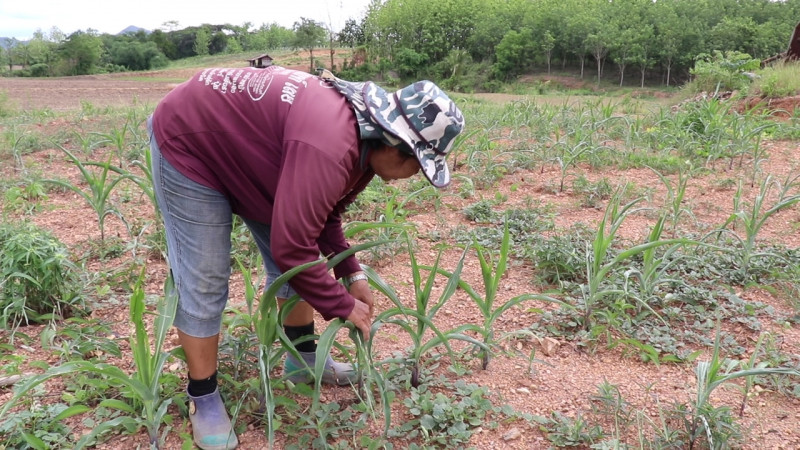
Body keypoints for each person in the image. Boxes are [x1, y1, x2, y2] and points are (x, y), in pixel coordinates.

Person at [147, 65, 464, 450]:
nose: (414, 174)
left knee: (293, 264)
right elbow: (292, 246)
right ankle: (203, 396)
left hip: (254, 155)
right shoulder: (331, 143)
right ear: (394, 141)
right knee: (206, 277)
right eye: (417, 164)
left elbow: (322, 214)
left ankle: (303, 361)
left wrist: (352, 273)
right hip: (191, 142)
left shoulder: (364, 142)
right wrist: (342, 305)